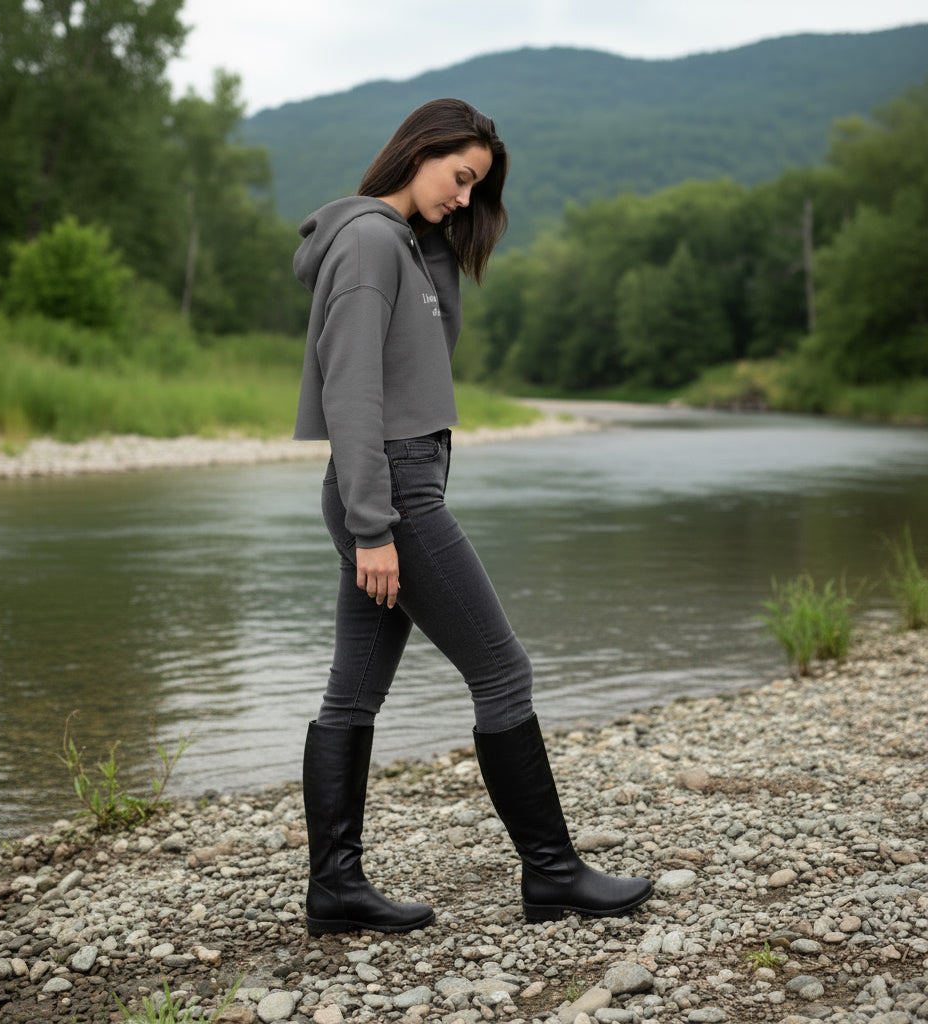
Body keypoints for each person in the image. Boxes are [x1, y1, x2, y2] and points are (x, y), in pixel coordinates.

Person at [293, 98, 653, 936]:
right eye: (460, 178)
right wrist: (375, 527)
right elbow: (353, 392)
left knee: (353, 692)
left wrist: (440, 242)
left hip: (390, 486)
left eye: (476, 188)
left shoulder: (403, 245)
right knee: (502, 671)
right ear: (421, 151)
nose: (464, 199)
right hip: (393, 491)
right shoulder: (371, 242)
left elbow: (414, 354)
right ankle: (554, 874)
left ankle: (335, 890)